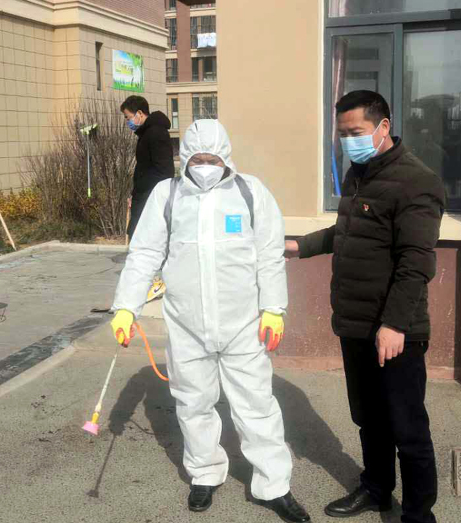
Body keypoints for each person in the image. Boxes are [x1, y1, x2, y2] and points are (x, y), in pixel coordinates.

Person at [110, 119, 311, 523]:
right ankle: (205, 473)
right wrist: (126, 307)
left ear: (226, 158)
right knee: (193, 403)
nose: (205, 166)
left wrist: (274, 308)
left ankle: (273, 485)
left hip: (243, 325)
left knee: (256, 406)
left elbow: (270, 254)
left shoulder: (250, 192)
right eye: (197, 159)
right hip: (187, 325)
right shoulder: (168, 195)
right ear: (185, 157)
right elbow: (145, 254)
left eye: (213, 159)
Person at [285, 90, 445, 523]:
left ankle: (418, 515)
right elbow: (347, 232)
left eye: (355, 132)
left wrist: (394, 324)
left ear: (383, 127)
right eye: (342, 134)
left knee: (407, 428)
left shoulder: (417, 182)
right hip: (356, 322)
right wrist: (300, 246)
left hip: (395, 329)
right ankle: (376, 488)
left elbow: (416, 262)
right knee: (369, 418)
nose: (348, 141)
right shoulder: (359, 173)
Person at [120, 95, 175, 242]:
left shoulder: (156, 133)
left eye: (128, 117)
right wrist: (135, 193)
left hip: (150, 199)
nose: (127, 122)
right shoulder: (146, 133)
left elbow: (163, 170)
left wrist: (142, 192)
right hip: (143, 196)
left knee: (143, 240)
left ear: (139, 113)